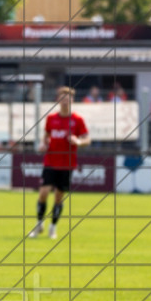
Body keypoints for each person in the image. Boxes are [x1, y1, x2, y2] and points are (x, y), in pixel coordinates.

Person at [28, 86, 91, 240]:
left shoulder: (77, 120)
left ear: (72, 100)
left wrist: (78, 141)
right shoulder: (51, 119)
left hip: (67, 164)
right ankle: (39, 224)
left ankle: (53, 227)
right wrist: (44, 144)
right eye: (62, 98)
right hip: (50, 161)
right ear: (58, 100)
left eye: (68, 98)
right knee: (43, 194)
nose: (65, 101)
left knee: (58, 197)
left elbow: (87, 139)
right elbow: (46, 136)